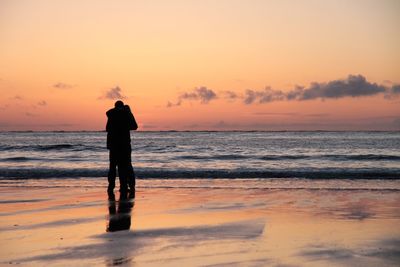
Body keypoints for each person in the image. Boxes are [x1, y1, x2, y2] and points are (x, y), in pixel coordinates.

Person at [106, 100, 138, 196]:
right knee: (125, 166)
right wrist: (130, 113)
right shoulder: (126, 114)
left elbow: (107, 128)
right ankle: (125, 187)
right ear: (123, 106)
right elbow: (134, 126)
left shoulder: (111, 115)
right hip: (124, 145)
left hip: (113, 145)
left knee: (112, 167)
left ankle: (111, 187)